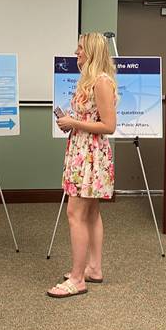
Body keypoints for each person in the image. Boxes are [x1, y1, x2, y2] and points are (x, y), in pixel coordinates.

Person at [47, 33, 117, 298]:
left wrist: (74, 123)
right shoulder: (90, 80)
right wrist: (72, 121)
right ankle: (93, 268)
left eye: (80, 49)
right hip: (83, 150)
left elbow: (109, 126)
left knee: (75, 214)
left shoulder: (101, 82)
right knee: (91, 213)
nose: (76, 53)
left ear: (92, 52)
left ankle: (77, 279)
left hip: (90, 155)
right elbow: (92, 118)